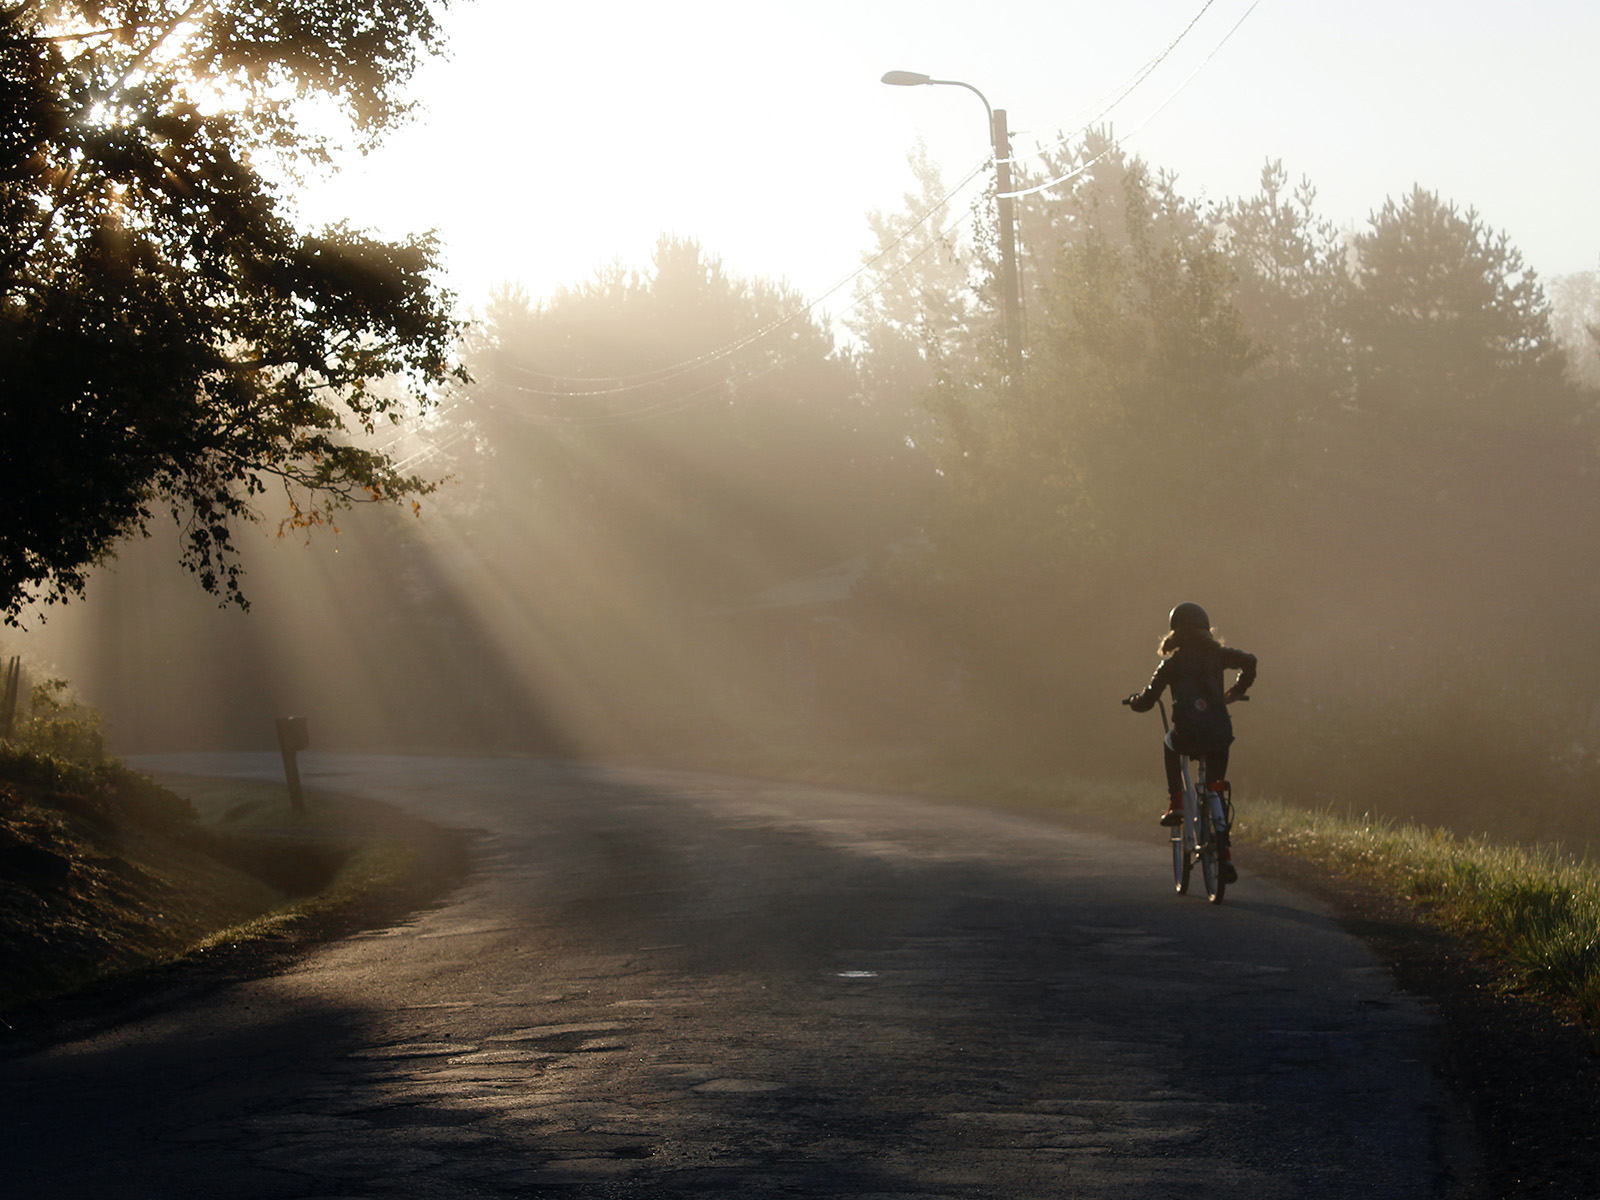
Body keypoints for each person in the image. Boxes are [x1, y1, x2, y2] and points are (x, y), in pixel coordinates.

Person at [1124, 602, 1256, 883]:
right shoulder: (1218, 656)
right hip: (1219, 735)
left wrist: (1135, 700)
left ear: (1175, 632)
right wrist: (1237, 690)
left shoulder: (1171, 665)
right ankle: (1226, 855)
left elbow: (1147, 701)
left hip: (1187, 736)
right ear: (1206, 628)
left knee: (1168, 742)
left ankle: (1176, 803)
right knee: (1216, 789)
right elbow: (1250, 661)